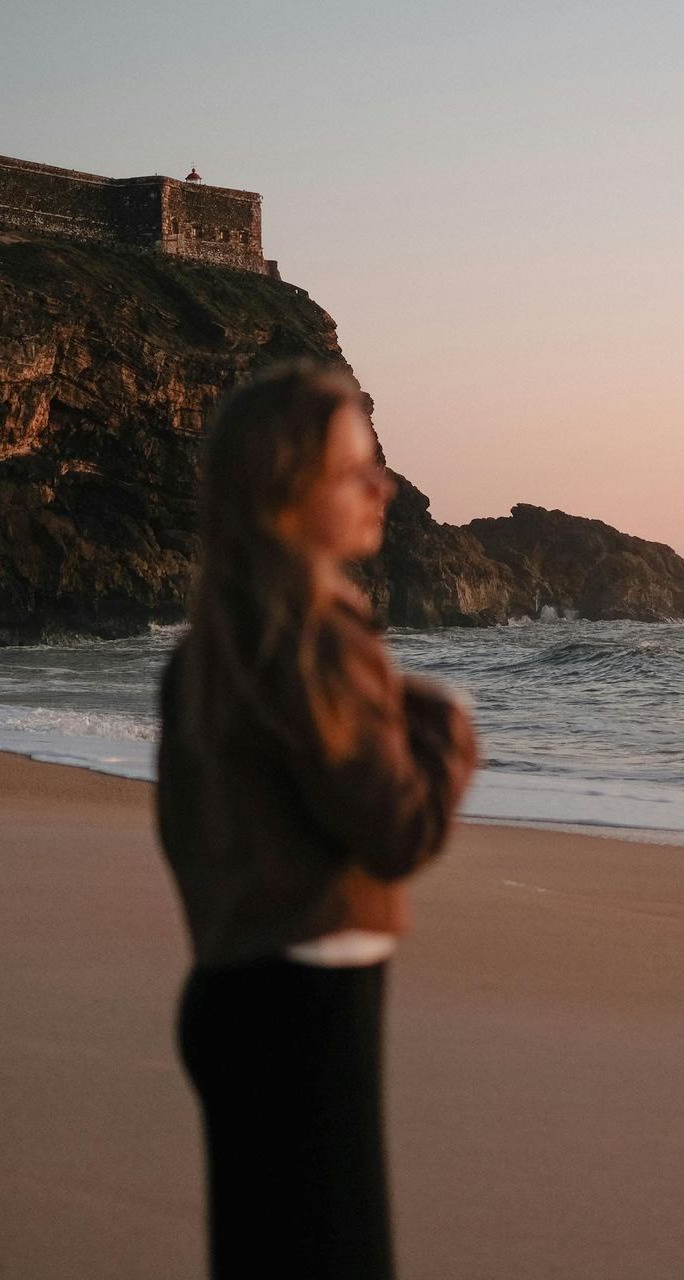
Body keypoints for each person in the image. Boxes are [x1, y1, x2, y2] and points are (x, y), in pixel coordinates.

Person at [153, 360, 480, 1279]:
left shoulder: (209, 648)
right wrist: (445, 735)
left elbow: (189, 843)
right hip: (307, 1007)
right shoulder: (316, 643)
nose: (381, 486)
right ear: (288, 487)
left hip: (229, 992)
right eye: (353, 470)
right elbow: (398, 834)